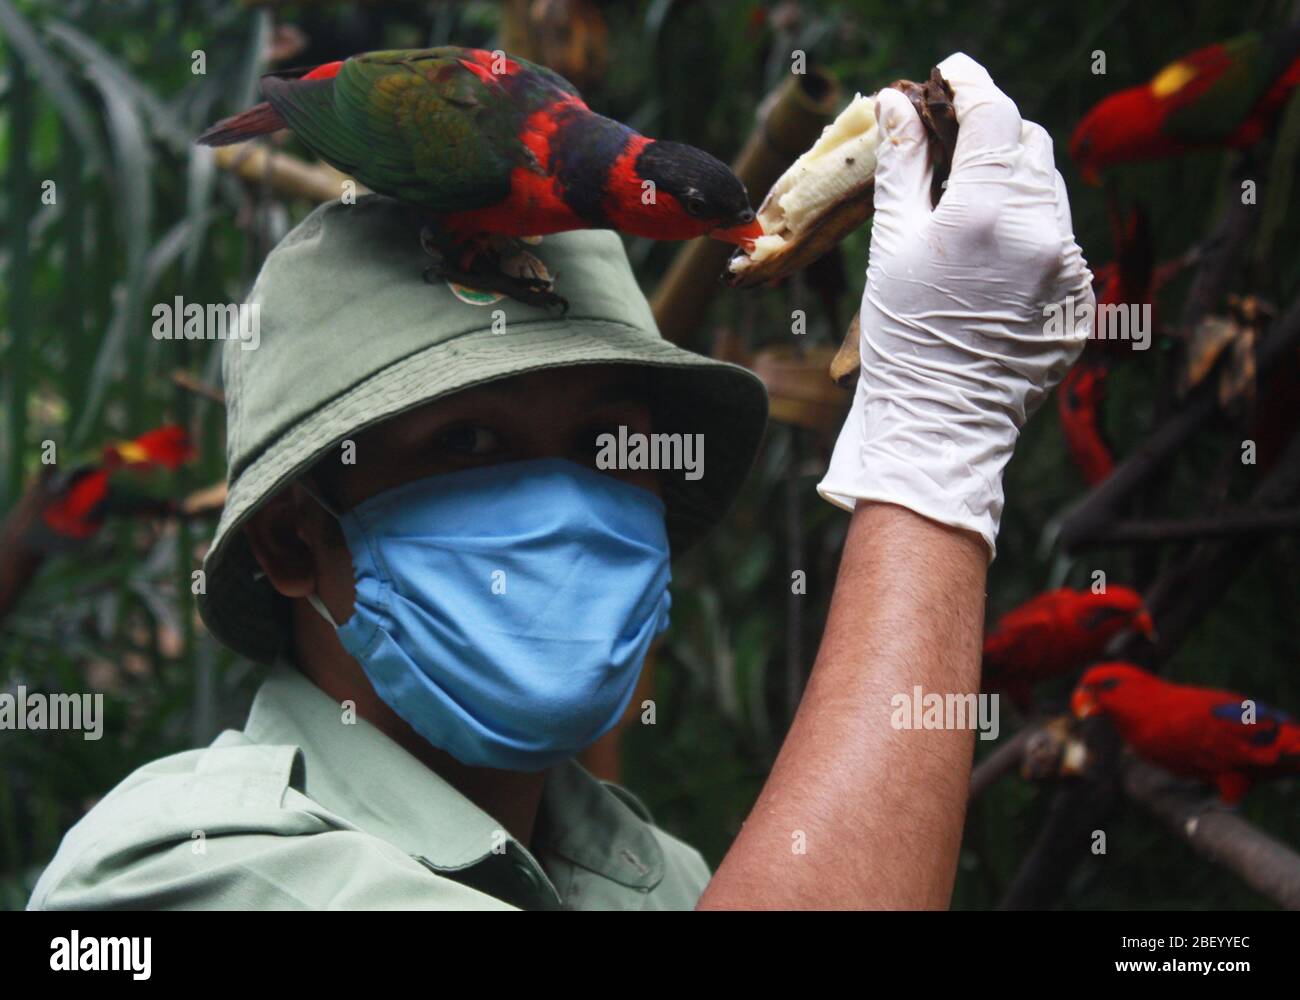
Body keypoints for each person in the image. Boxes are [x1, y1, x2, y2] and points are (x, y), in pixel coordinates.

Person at [28, 53, 1092, 910]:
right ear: (293, 540)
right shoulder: (181, 871)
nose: (566, 508)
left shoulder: (667, 883)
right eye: (471, 443)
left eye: (603, 444)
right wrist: (932, 447)